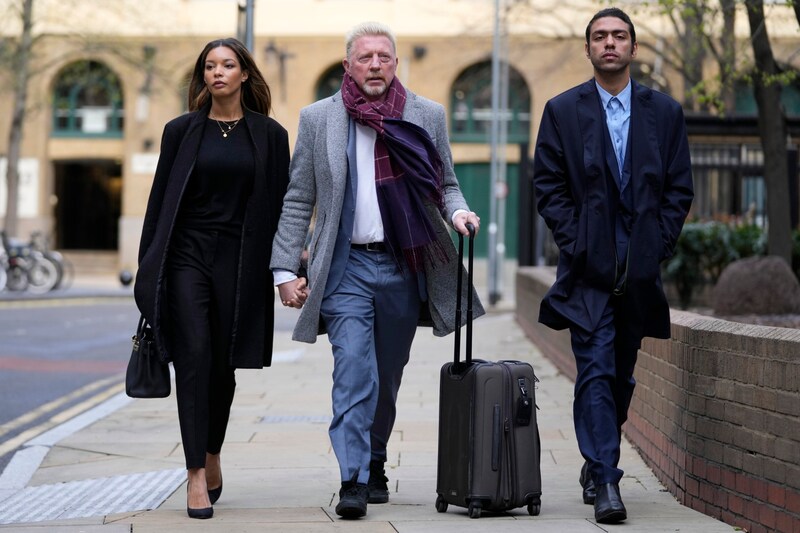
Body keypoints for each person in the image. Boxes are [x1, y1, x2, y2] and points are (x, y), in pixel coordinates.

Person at [270, 21, 484, 519]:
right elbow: (299, 196)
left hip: (404, 265)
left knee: (387, 376)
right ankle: (353, 478)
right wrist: (284, 266)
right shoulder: (319, 118)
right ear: (349, 65)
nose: (374, 66)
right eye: (364, 58)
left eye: (384, 57)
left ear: (395, 63)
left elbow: (445, 182)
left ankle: (376, 454)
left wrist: (458, 213)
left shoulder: (424, 114)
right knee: (353, 371)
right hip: (345, 268)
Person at [531, 7, 693, 525]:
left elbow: (678, 190)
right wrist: (576, 242)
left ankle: (596, 456)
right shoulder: (562, 110)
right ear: (588, 49)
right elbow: (547, 186)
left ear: (633, 47)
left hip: (639, 270)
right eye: (599, 36)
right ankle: (606, 479)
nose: (609, 44)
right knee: (595, 370)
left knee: (621, 375)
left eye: (619, 36)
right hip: (587, 271)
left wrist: (656, 246)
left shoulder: (664, 113)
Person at [133, 37, 290, 520]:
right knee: (195, 357)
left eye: (227, 65)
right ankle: (194, 474)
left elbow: (284, 207)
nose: (217, 72)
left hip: (240, 262)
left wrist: (289, 269)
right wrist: (148, 271)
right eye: (209, 66)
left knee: (223, 365)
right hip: (186, 258)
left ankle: (212, 450)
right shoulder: (181, 132)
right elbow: (159, 204)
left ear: (244, 74)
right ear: (203, 76)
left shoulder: (269, 135)